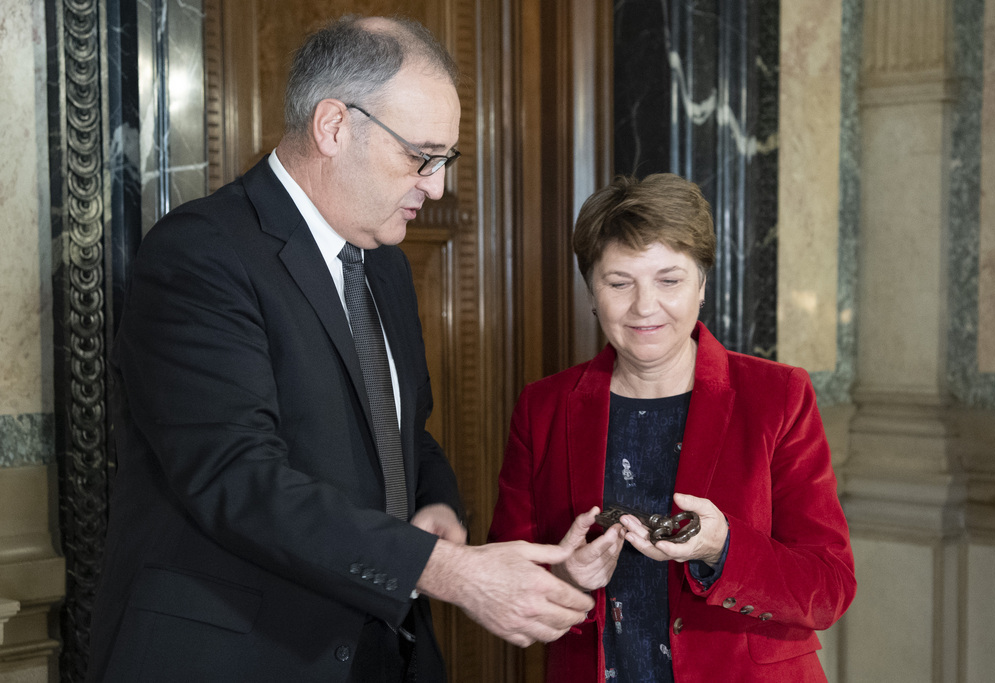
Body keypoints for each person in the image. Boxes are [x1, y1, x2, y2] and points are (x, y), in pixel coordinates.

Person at [87, 15, 592, 683]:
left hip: (383, 656)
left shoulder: (382, 263)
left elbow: (408, 437)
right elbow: (238, 479)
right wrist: (446, 570)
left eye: (446, 161)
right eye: (421, 156)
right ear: (333, 126)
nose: (436, 187)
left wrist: (436, 506)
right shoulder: (200, 254)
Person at [489, 173, 856, 682]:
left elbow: (829, 586)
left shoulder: (778, 397)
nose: (644, 307)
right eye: (619, 283)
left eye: (669, 280)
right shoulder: (543, 407)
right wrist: (565, 578)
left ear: (702, 285)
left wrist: (722, 548)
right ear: (592, 292)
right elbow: (504, 585)